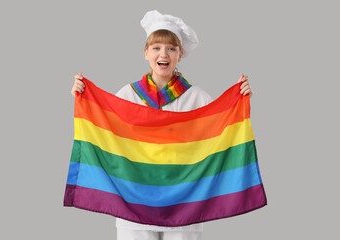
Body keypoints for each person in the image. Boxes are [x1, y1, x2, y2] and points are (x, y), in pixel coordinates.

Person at [71, 10, 252, 240]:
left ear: (180, 54)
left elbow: (223, 132)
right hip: (133, 203)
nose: (163, 53)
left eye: (171, 48)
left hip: (184, 206)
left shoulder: (197, 98)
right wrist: (84, 98)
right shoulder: (127, 95)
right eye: (156, 47)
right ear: (146, 53)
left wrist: (239, 101)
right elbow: (103, 128)